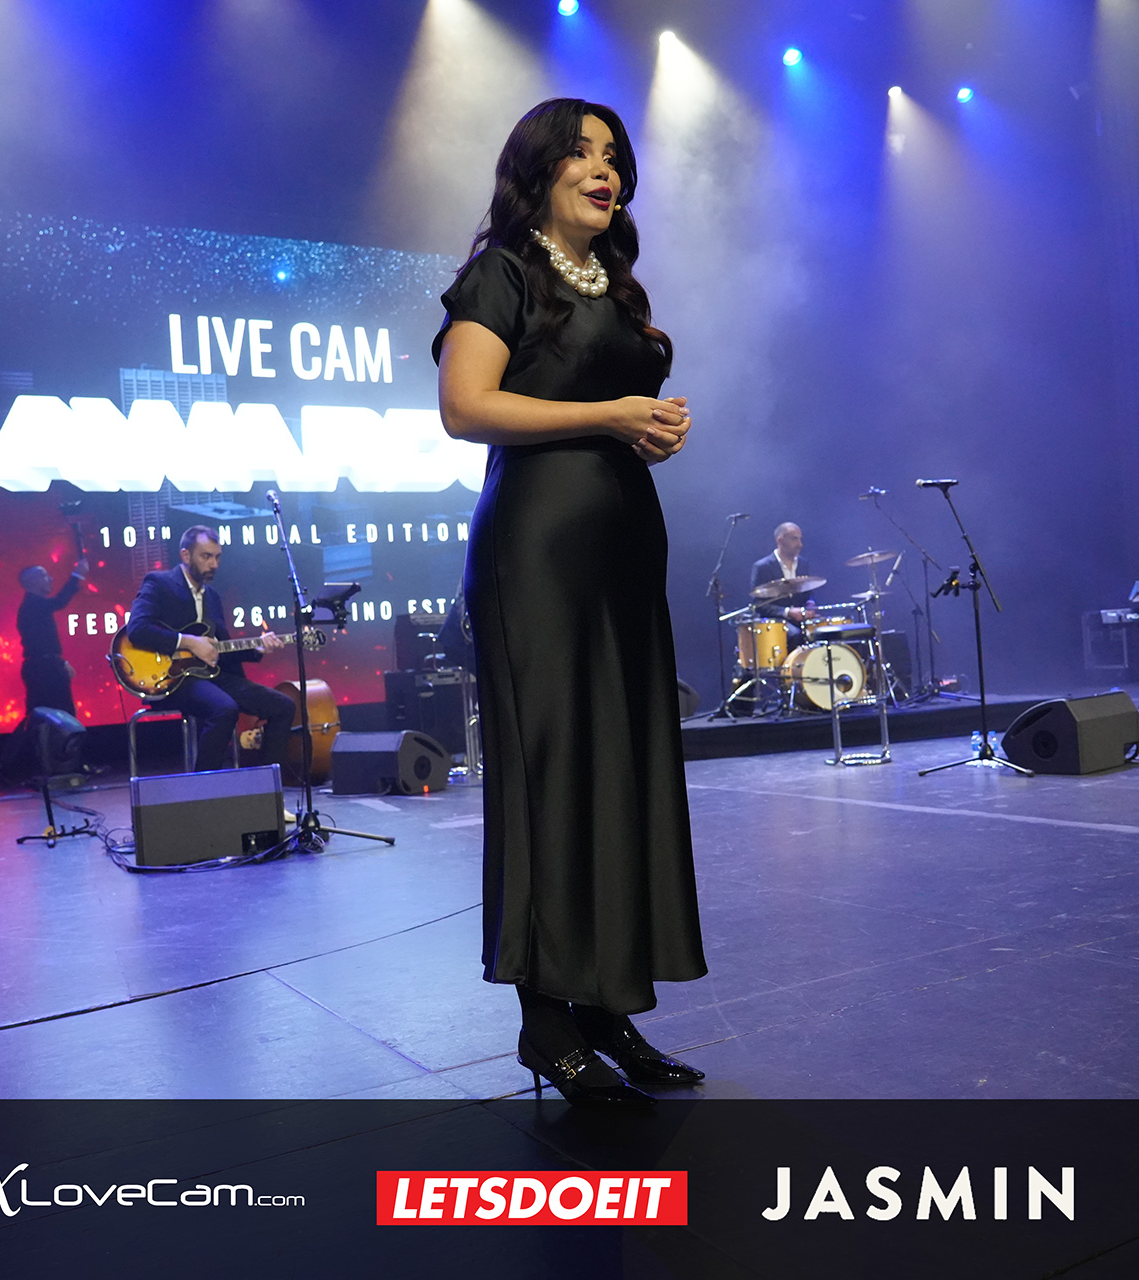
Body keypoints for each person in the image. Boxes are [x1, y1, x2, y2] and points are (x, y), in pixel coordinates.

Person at [434, 97, 707, 1109]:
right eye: (583, 153)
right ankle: (545, 1026)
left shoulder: (618, 286)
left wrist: (651, 432)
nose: (606, 169)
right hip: (537, 558)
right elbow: (466, 407)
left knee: (619, 775)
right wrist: (611, 413)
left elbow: (609, 418)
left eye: (615, 156)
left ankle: (604, 1010)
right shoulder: (502, 274)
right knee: (553, 779)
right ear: (539, 169)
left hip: (622, 553)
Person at [125, 526, 293, 772]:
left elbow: (221, 648)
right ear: (186, 555)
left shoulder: (212, 596)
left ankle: (266, 785)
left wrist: (257, 648)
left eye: (217, 557)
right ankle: (204, 787)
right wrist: (188, 641)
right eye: (206, 556)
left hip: (210, 675)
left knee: (283, 705)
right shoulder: (160, 583)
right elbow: (137, 629)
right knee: (224, 709)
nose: (214, 564)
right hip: (169, 678)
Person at [17, 558, 88, 717]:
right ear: (32, 582)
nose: (51, 578)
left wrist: (59, 662)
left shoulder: (32, 605)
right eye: (44, 575)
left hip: (44, 667)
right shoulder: (33, 605)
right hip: (44, 670)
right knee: (60, 717)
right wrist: (77, 575)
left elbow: (42, 645)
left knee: (50, 716)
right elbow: (59, 602)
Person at [750, 521, 819, 638]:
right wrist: (787, 612)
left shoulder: (803, 564)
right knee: (795, 635)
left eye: (800, 539)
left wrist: (810, 604)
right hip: (776, 622)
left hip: (801, 619)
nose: (800, 544)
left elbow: (808, 592)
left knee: (823, 632)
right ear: (780, 540)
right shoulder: (763, 567)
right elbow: (759, 605)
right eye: (794, 539)